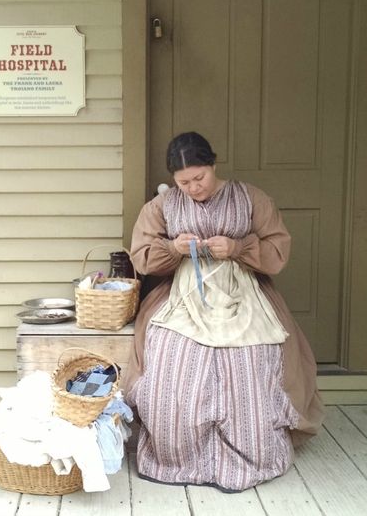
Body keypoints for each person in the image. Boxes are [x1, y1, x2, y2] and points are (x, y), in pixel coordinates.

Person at [123, 131, 324, 492]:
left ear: (213, 165)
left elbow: (277, 247)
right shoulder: (163, 206)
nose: (193, 187)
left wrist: (237, 247)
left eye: (199, 177)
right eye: (183, 182)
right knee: (171, 356)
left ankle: (251, 453)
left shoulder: (250, 198)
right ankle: (177, 456)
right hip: (184, 294)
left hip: (242, 291)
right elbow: (142, 254)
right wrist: (174, 248)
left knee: (253, 357)